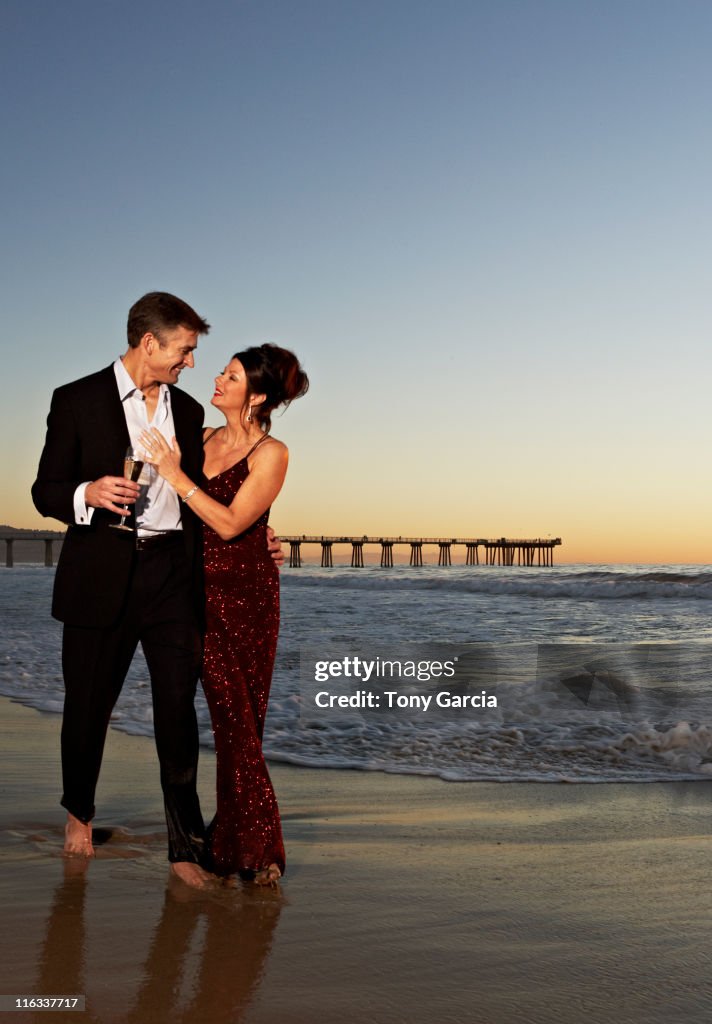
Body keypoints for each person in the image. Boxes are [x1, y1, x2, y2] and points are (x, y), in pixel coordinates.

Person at [31, 292, 282, 889]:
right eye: (186, 350)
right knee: (88, 705)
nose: (192, 363)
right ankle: (79, 814)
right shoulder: (76, 400)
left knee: (177, 712)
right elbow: (44, 490)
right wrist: (85, 494)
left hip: (174, 575)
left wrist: (263, 536)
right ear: (151, 343)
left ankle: (184, 848)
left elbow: (221, 490)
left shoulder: (190, 413)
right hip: (101, 573)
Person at [141, 343, 308, 885]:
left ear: (256, 395)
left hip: (249, 597)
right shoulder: (202, 438)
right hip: (192, 593)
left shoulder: (272, 453)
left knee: (242, 721)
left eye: (230, 375)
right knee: (226, 718)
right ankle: (250, 844)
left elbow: (234, 523)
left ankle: (252, 848)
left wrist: (175, 473)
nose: (216, 377)